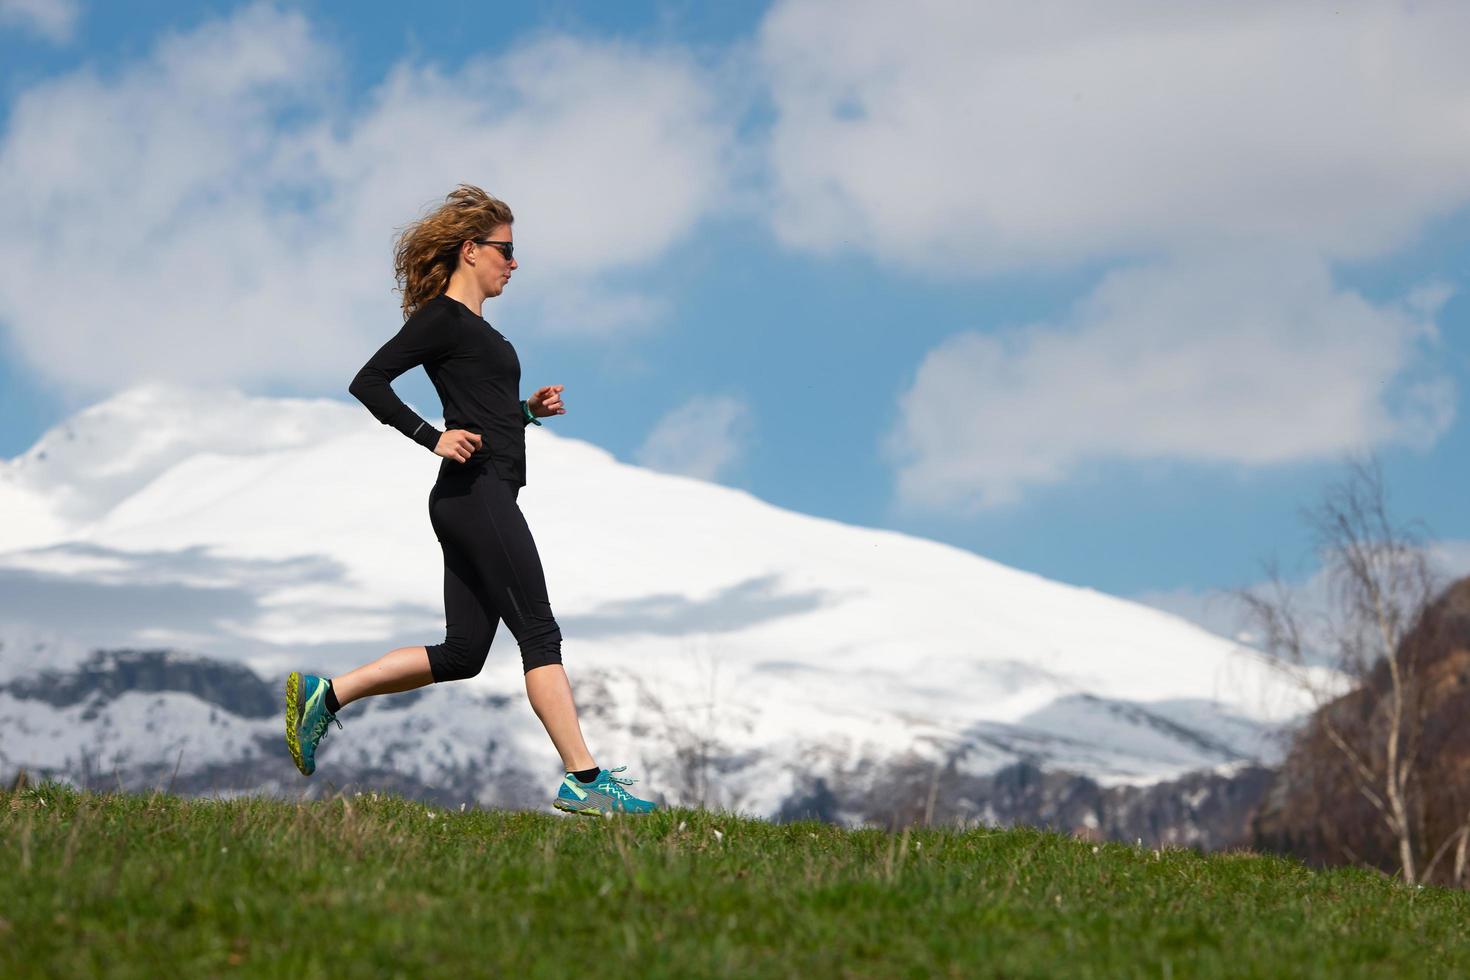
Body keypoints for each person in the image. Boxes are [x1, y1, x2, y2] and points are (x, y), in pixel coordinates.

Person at [284, 184, 656, 816]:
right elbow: (367, 382)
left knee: (462, 656)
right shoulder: (441, 319)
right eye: (506, 251)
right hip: (476, 495)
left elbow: (483, 415)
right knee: (539, 631)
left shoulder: (482, 333)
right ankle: (585, 780)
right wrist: (431, 436)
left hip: (475, 495)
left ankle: (329, 695)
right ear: (470, 250)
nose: (514, 263)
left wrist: (526, 413)